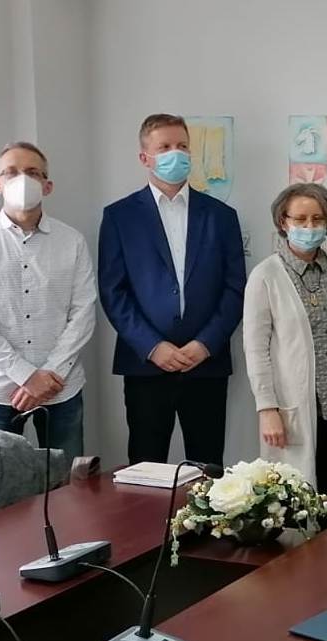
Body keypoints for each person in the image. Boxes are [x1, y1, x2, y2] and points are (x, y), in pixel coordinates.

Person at [98, 113, 246, 466]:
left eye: (182, 146)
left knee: (208, 470)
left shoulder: (221, 216)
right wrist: (152, 346)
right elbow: (113, 291)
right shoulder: (119, 216)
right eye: (164, 147)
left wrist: (205, 344)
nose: (175, 153)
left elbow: (235, 288)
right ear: (144, 157)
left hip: (206, 364)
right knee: (145, 469)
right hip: (146, 366)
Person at [0, 141, 97, 459]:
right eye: (11, 172)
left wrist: (50, 374)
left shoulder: (72, 241)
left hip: (61, 385)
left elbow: (84, 313)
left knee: (65, 479)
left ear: (47, 185)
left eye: (32, 172)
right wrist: (27, 376)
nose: (22, 179)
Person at [243, 183, 327, 511]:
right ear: (283, 222)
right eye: (300, 219)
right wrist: (267, 409)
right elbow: (256, 350)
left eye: (317, 219)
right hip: (293, 408)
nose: (309, 226)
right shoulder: (266, 275)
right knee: (293, 501)